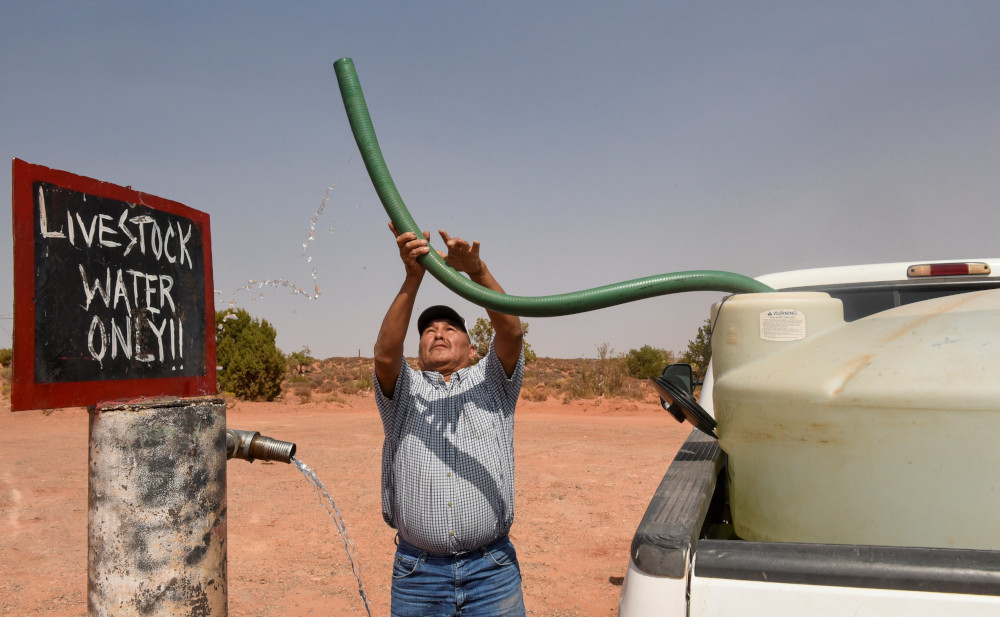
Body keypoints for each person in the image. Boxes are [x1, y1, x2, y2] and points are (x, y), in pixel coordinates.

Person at [373, 222, 526, 617]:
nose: (437, 333)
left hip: (491, 570)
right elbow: (385, 355)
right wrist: (412, 279)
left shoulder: (493, 381)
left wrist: (477, 272)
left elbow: (510, 330)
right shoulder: (404, 391)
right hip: (418, 574)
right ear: (419, 349)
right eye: (428, 331)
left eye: (450, 328)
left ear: (473, 348)